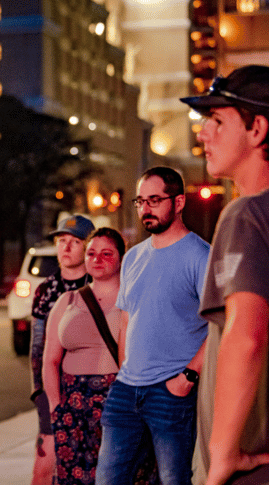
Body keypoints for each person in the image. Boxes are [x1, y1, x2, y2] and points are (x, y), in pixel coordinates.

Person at [180, 65, 269, 485]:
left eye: (217, 120)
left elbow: (245, 335)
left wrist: (221, 458)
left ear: (257, 130)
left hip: (250, 461)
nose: (203, 134)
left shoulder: (247, 214)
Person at [95, 167, 210, 485]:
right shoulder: (132, 258)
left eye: (155, 200)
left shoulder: (200, 256)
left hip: (171, 393)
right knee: (107, 480)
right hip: (126, 391)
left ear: (179, 202)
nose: (146, 208)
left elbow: (221, 325)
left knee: (174, 480)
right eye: (140, 201)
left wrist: (187, 377)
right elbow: (127, 320)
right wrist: (123, 372)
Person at [43, 227, 126, 484]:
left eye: (106, 254)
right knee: (75, 478)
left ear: (121, 258)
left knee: (117, 475)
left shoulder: (131, 300)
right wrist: (56, 406)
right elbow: (50, 360)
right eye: (91, 253)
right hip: (72, 407)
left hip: (116, 401)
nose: (97, 259)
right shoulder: (67, 301)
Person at [30, 214, 95, 485]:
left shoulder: (102, 285)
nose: (65, 248)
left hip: (96, 389)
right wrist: (40, 394)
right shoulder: (46, 290)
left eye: (74, 241)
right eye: (61, 241)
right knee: (44, 467)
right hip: (54, 386)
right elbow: (37, 348)